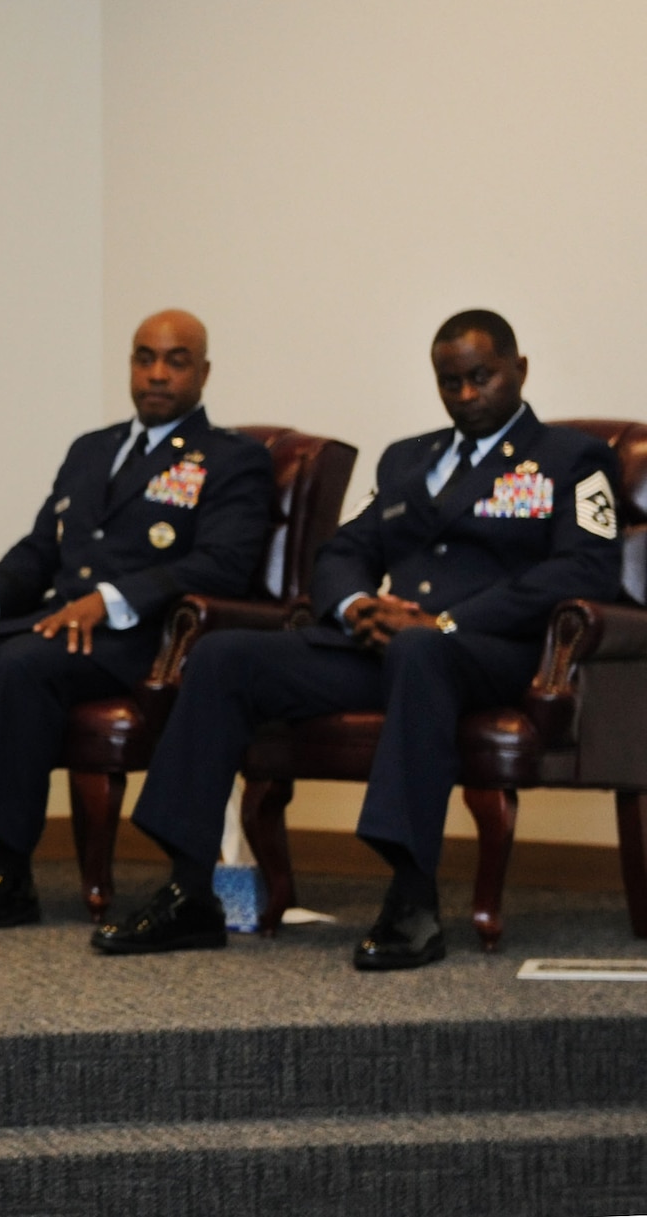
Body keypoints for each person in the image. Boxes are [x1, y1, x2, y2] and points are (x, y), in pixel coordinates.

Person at [95, 309, 622, 970]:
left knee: (420, 650)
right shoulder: (409, 459)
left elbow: (585, 567)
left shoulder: (571, 458)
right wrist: (356, 605)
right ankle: (189, 890)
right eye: (449, 381)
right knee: (226, 655)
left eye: (481, 377)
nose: (465, 395)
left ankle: (412, 898)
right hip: (390, 647)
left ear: (520, 370)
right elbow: (344, 548)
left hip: (486, 652)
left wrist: (449, 623)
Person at [0, 311, 273, 929]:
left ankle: (8, 874)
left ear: (205, 371)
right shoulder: (93, 449)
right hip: (55, 626)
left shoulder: (232, 459)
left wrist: (111, 598)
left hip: (140, 639)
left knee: (27, 663)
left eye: (176, 360)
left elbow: (226, 564)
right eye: (145, 358)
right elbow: (40, 548)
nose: (157, 373)